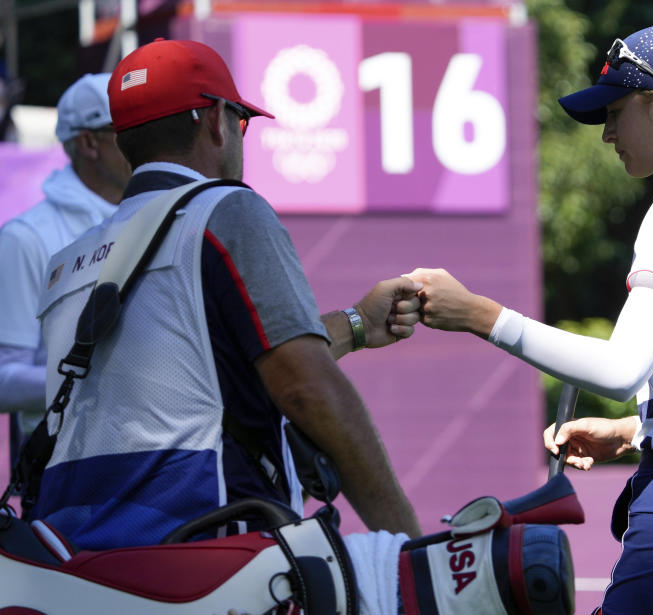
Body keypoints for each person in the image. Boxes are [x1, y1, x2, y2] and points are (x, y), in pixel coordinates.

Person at [408, 23, 653, 615]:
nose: (607, 135)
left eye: (616, 112)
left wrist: (477, 314)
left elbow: (622, 370)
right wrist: (632, 434)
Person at [29, 39, 421, 553]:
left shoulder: (69, 262)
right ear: (215, 119)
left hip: (78, 569)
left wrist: (355, 324)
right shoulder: (223, 210)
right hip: (204, 561)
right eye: (241, 123)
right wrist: (414, 548)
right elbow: (305, 388)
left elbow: (200, 379)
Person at [0, 73, 130, 456]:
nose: (147, 140)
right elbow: (3, 378)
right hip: (65, 471)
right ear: (89, 142)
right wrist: (109, 379)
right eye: (128, 128)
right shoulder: (25, 238)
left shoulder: (167, 217)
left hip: (158, 466)